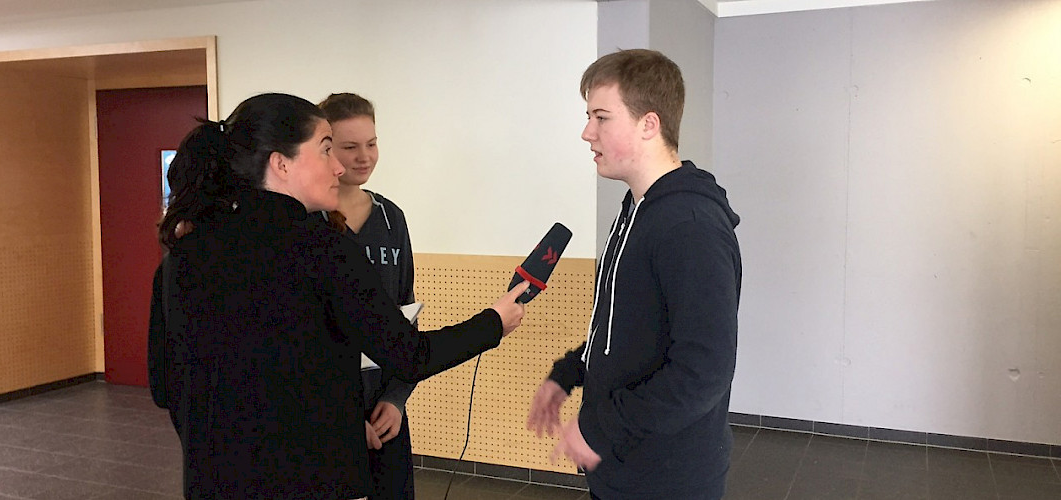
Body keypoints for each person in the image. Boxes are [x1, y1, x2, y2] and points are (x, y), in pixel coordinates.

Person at [147, 92, 528, 500]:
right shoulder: (324, 250)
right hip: (311, 482)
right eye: (327, 149)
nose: (339, 166)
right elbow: (410, 354)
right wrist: (493, 322)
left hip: (213, 482)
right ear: (281, 163)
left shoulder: (181, 257)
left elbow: (164, 388)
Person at [526, 49, 742, 500]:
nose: (587, 133)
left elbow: (702, 373)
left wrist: (600, 426)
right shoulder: (636, 210)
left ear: (649, 124)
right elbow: (624, 329)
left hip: (668, 479)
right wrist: (568, 373)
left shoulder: (691, 226)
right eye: (589, 117)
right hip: (621, 468)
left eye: (601, 118)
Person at [318, 92, 417, 500]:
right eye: (350, 147)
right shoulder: (305, 222)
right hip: (323, 413)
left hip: (385, 409)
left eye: (371, 144)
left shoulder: (392, 218)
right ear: (326, 149)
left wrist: (396, 399)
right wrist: (338, 416)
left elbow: (407, 316)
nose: (364, 157)